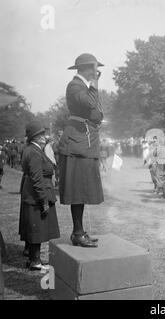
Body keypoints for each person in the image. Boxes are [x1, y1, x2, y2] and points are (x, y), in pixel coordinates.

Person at [58, 53, 105, 248]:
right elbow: (90, 104)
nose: (98, 71)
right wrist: (93, 84)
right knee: (78, 190)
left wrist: (93, 86)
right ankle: (77, 233)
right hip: (77, 143)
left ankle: (79, 231)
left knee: (83, 189)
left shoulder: (84, 86)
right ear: (88, 68)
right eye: (95, 68)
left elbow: (96, 111)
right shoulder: (75, 85)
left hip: (84, 142)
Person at [19, 121, 60, 270]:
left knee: (35, 228)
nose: (44, 136)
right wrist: (43, 201)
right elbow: (37, 179)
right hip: (36, 197)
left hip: (33, 195)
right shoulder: (34, 152)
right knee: (37, 229)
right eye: (41, 134)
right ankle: (35, 262)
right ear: (35, 137)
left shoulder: (32, 149)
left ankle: (33, 259)